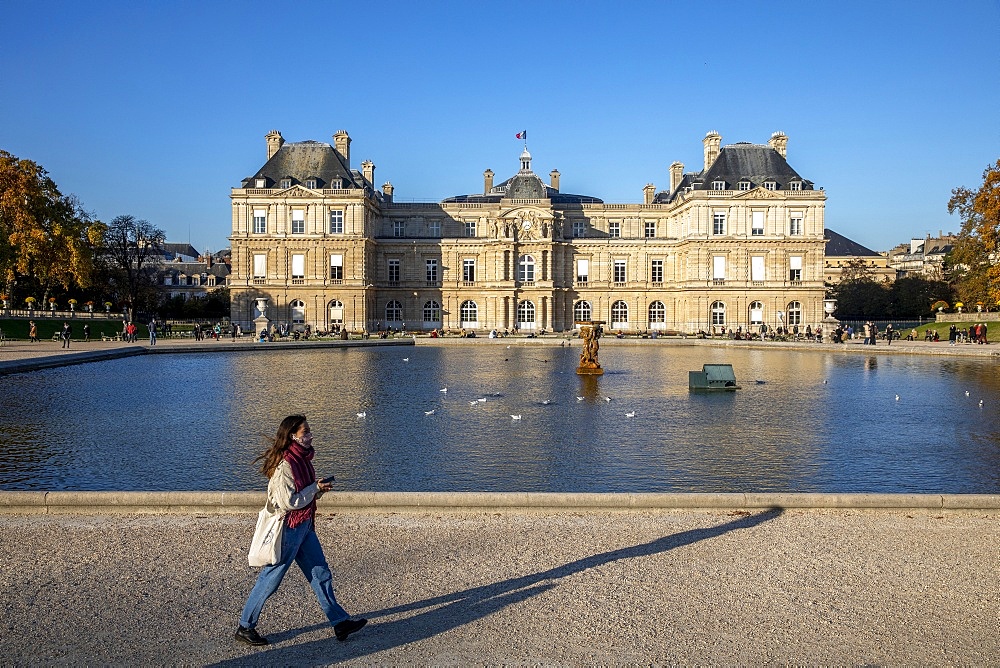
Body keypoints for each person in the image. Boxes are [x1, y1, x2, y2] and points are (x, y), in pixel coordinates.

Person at [236, 415, 367, 646]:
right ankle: (245, 626)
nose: (310, 436)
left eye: (309, 431)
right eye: (305, 432)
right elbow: (289, 502)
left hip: (303, 525)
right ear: (292, 436)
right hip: (289, 528)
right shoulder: (285, 464)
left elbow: (301, 495)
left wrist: (316, 490)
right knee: (271, 579)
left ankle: (339, 622)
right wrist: (313, 488)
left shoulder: (302, 458)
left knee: (321, 573)